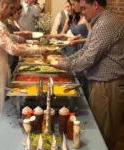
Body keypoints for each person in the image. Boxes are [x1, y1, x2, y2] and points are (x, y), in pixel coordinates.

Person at [50, 0, 124, 149]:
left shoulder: (105, 23)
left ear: (95, 4)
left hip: (108, 87)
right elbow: (85, 50)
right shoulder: (100, 21)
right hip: (102, 84)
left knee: (104, 135)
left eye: (84, 8)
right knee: (99, 128)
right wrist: (65, 60)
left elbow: (89, 58)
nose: (82, 12)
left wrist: (63, 64)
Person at [0, 0, 46, 149]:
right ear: (2, 4)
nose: (13, 12)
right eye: (12, 8)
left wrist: (20, 38)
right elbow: (13, 50)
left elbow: (4, 39)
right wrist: (38, 50)